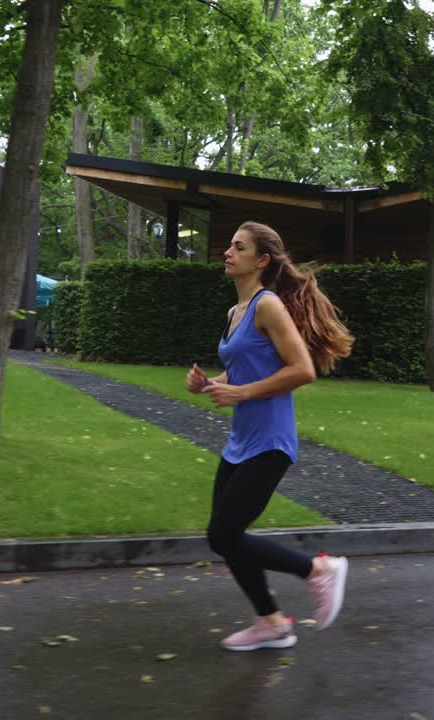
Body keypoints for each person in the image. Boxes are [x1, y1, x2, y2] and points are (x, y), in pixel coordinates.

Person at [186, 220, 355, 651]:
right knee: (226, 536)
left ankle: (319, 570)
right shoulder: (235, 312)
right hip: (241, 441)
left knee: (224, 535)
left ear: (261, 260)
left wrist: (240, 391)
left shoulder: (268, 305)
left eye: (238, 247)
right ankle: (271, 623)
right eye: (230, 245)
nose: (227, 252)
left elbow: (303, 369)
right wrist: (212, 383)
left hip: (271, 443)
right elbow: (247, 367)